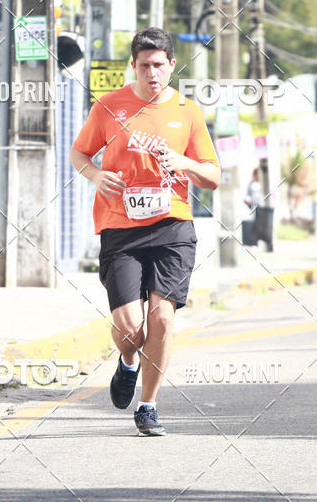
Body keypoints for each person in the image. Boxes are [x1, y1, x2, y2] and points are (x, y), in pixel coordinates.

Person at [70, 27, 220, 436]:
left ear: (172, 65)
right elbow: (79, 152)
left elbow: (213, 176)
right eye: (144, 66)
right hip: (120, 227)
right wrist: (96, 175)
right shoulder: (110, 105)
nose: (151, 73)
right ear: (133, 67)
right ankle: (128, 361)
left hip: (172, 224)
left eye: (159, 65)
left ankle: (148, 405)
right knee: (131, 328)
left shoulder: (187, 112)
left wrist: (183, 163)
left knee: (163, 320)